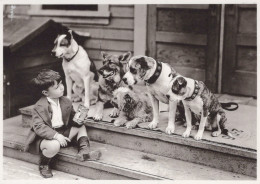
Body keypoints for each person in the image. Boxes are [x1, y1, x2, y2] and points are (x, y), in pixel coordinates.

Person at [24, 69, 101, 178]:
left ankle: (83, 151)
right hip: (45, 137)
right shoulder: (39, 106)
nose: (62, 87)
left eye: (61, 84)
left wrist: (78, 118)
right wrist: (56, 136)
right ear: (46, 92)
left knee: (81, 127)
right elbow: (39, 126)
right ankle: (44, 164)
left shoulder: (66, 101)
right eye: (57, 87)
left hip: (63, 132)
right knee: (54, 145)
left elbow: (71, 117)